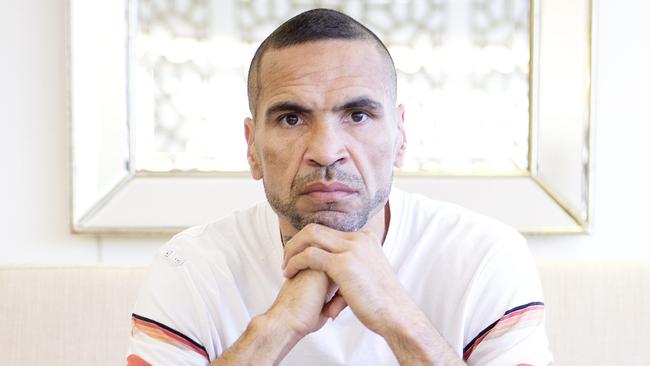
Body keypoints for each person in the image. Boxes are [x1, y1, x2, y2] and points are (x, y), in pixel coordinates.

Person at [127, 8, 553, 366]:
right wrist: (278, 327)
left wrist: (399, 318)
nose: (326, 151)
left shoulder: (485, 256)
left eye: (358, 115)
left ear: (400, 137)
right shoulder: (190, 267)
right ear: (252, 147)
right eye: (291, 118)